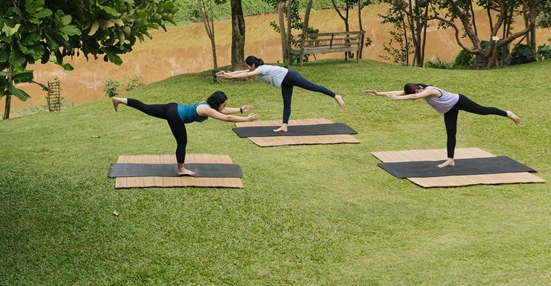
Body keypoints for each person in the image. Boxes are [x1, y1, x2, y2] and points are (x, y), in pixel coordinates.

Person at [365, 84, 521, 168]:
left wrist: (397, 100)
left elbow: (413, 96)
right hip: (449, 109)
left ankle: (507, 113)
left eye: (417, 92)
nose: (417, 93)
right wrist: (379, 93)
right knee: (451, 133)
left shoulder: (430, 90)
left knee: (483, 111)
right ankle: (450, 159)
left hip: (459, 101)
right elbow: (400, 92)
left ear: (419, 89)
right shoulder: (417, 89)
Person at [111, 90, 258, 176]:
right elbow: (226, 117)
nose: (225, 106)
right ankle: (181, 169)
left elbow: (224, 111)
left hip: (173, 107)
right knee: (182, 143)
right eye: (223, 103)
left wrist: (240, 109)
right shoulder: (206, 109)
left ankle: (119, 100)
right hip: (176, 116)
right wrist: (246, 120)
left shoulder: (208, 105)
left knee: (146, 107)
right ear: (217, 103)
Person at [215, 55, 345, 133]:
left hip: (291, 76)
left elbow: (246, 74)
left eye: (249, 66)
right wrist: (226, 74)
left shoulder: (261, 69)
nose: (248, 68)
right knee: (286, 103)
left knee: (313, 87)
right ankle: (284, 126)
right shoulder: (257, 68)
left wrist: (229, 77)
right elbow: (241, 72)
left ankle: (335, 96)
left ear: (253, 65)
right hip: (285, 81)